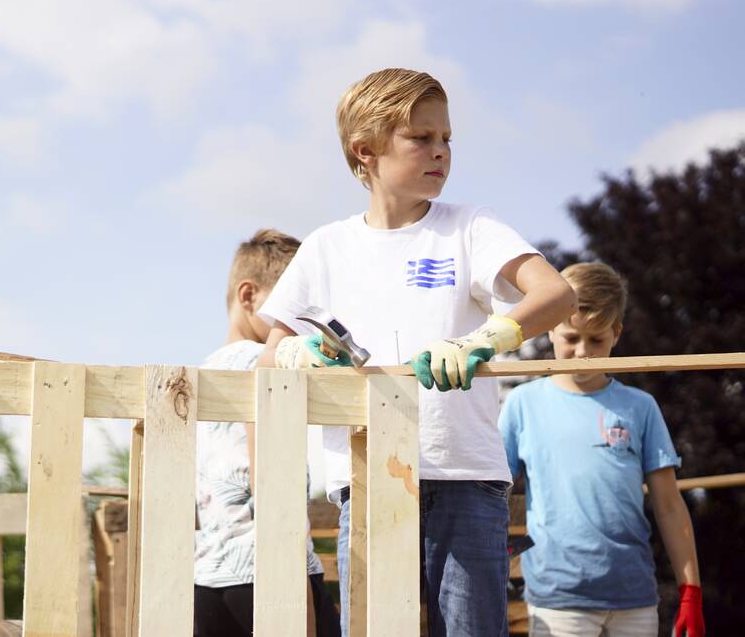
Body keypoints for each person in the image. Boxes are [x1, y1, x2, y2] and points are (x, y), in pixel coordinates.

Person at [256, 68, 577, 637]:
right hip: (367, 477)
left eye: (447, 138)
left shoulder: (470, 227)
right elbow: (271, 353)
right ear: (366, 151)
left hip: (465, 474)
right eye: (421, 138)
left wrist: (484, 339)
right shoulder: (327, 248)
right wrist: (294, 356)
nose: (441, 152)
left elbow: (556, 293)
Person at [498, 262, 705, 637]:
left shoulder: (640, 407)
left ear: (617, 334)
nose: (582, 353)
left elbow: (669, 505)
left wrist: (690, 588)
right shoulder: (522, 405)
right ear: (551, 329)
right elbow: (492, 494)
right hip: (557, 600)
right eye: (572, 338)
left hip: (634, 597)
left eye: (596, 340)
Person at [195, 229, 340, 637]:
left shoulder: (199, 373)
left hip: (209, 575)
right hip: (270, 572)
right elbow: (272, 479)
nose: (299, 323)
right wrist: (295, 587)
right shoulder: (268, 365)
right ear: (248, 296)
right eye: (290, 306)